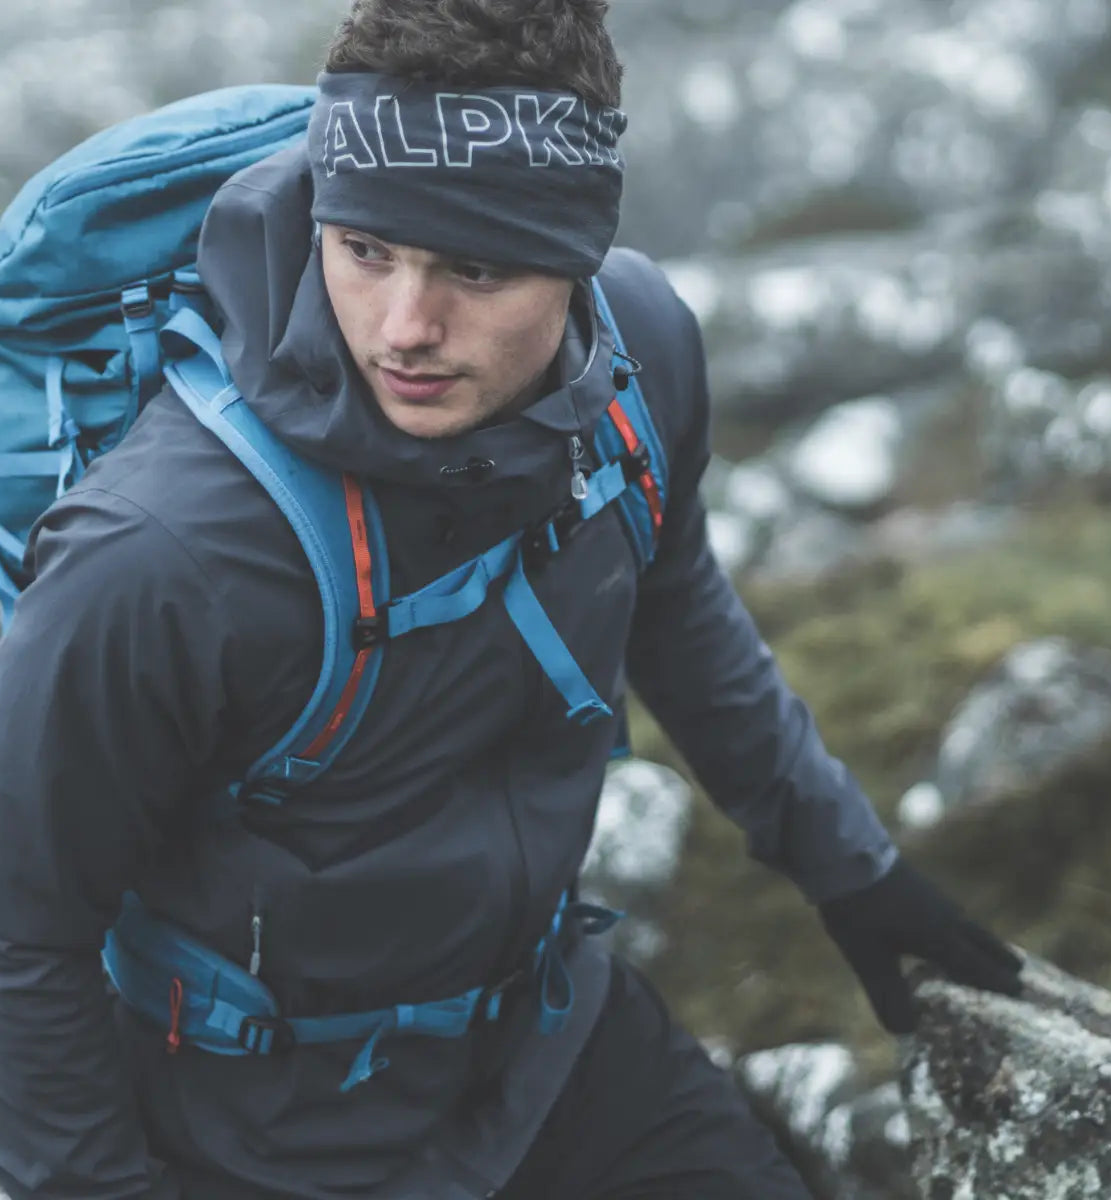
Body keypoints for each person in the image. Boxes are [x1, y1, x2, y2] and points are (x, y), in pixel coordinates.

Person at [0, 1, 1024, 1197]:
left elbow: (675, 600)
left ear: (579, 255)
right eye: (366, 249)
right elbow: (22, 929)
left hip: (545, 1044)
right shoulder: (160, 555)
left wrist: (847, 865)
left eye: (474, 267)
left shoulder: (639, 361)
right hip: (248, 1140)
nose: (405, 329)